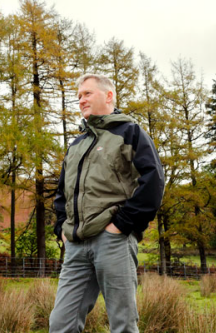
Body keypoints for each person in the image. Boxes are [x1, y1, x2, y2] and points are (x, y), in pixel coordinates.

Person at [49, 74, 165, 333]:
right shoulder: (77, 144)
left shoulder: (130, 132)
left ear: (109, 96)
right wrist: (62, 231)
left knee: (122, 324)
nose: (81, 100)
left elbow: (153, 180)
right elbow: (61, 193)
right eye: (79, 96)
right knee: (60, 324)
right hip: (76, 245)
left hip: (113, 240)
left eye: (87, 94)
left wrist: (122, 225)